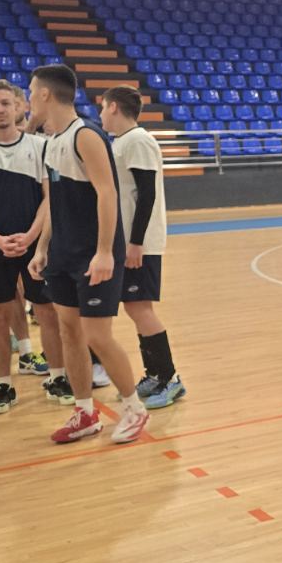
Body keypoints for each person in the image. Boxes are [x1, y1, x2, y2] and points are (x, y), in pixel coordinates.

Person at [26, 64, 150, 445]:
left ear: (45, 94)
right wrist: (42, 247)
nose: (29, 99)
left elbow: (107, 193)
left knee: (97, 335)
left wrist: (104, 252)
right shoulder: (53, 141)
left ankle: (134, 408)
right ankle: (85, 412)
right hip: (63, 252)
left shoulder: (86, 135)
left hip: (93, 254)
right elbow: (55, 201)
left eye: (31, 92)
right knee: (69, 331)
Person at [0, 79, 66, 415]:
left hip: (36, 246)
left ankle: (58, 377)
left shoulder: (40, 147)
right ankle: (4, 386)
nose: (0, 110)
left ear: (18, 106)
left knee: (47, 312)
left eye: (6, 103)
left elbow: (50, 198)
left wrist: (31, 237)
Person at [99, 86, 185, 408]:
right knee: (135, 308)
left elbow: (146, 194)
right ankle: (155, 374)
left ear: (113, 107)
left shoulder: (138, 140)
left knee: (141, 309)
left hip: (140, 243)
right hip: (128, 241)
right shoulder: (122, 142)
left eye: (103, 108)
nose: (100, 114)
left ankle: (170, 379)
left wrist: (136, 242)